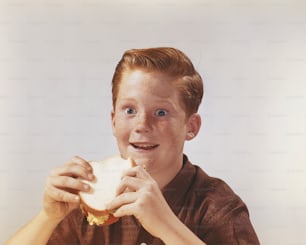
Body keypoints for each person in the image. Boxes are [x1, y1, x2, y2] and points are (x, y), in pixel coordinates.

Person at [5, 47, 260, 245]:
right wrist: (48, 217)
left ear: (191, 127)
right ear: (114, 121)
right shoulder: (86, 202)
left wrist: (166, 226)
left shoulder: (218, 207)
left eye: (161, 112)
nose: (142, 125)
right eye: (130, 110)